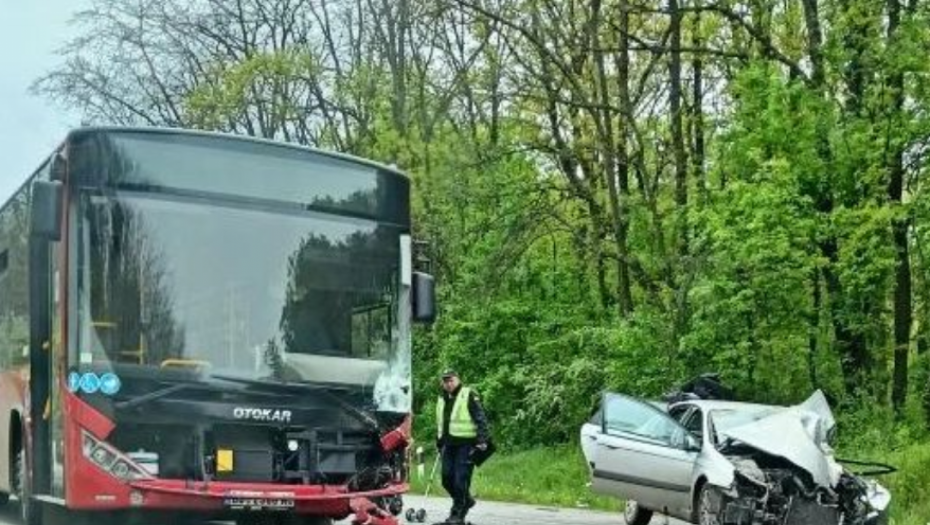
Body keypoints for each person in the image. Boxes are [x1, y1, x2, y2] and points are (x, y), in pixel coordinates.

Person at [435, 369, 490, 524]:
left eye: (451, 380)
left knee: (460, 481)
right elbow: (441, 423)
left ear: (458, 379)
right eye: (445, 381)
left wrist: (482, 439)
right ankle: (466, 500)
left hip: (466, 445)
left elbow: (481, 418)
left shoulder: (468, 394)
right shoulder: (442, 397)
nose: (448, 383)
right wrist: (439, 441)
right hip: (449, 445)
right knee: (446, 479)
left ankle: (457, 515)